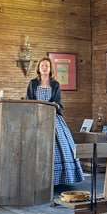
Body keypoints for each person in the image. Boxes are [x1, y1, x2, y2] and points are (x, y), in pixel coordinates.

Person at [25, 57, 84, 187]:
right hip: (36, 117)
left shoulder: (55, 84)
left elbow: (57, 101)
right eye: (42, 66)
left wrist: (53, 105)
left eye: (47, 66)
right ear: (38, 68)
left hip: (52, 117)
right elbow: (28, 99)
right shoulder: (33, 83)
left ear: (50, 68)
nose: (44, 68)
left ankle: (61, 178)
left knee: (61, 144)